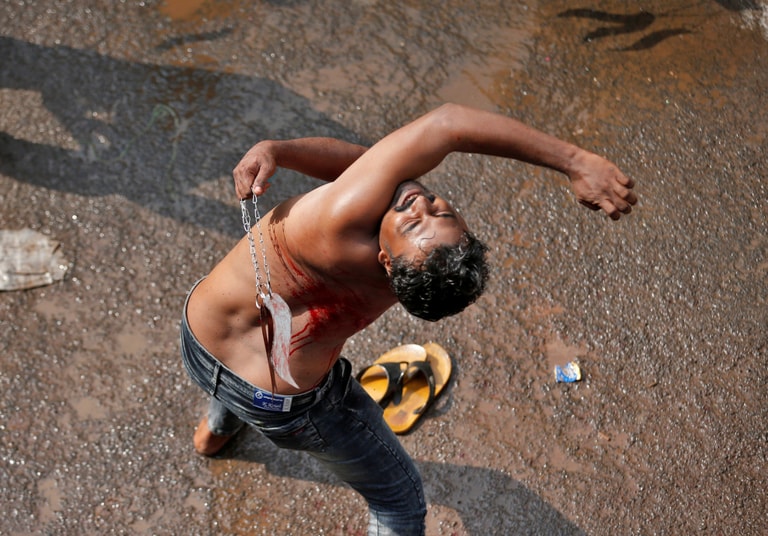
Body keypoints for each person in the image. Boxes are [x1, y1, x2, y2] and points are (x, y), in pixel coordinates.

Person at [180, 103, 636, 535]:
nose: (420, 203)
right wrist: (278, 151)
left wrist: (576, 161)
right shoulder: (409, 276)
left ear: (386, 261)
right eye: (439, 209)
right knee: (395, 497)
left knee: (393, 496)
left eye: (418, 222)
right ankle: (217, 431)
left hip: (203, 338)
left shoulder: (345, 215)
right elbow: (398, 153)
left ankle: (213, 435)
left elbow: (437, 130)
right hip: (271, 396)